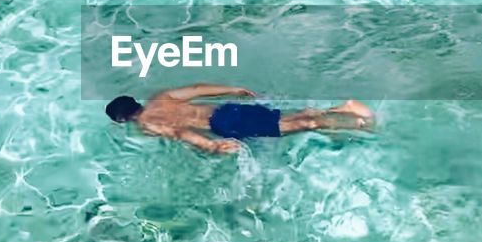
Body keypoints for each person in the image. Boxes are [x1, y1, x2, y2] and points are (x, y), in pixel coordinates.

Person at [104, 84, 374, 154]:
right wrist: (231, 89)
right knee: (291, 119)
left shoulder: (148, 124)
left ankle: (353, 119)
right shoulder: (161, 97)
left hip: (225, 125)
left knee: (300, 125)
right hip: (226, 110)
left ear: (121, 120)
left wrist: (210, 146)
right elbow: (198, 89)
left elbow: (178, 133)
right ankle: (344, 108)